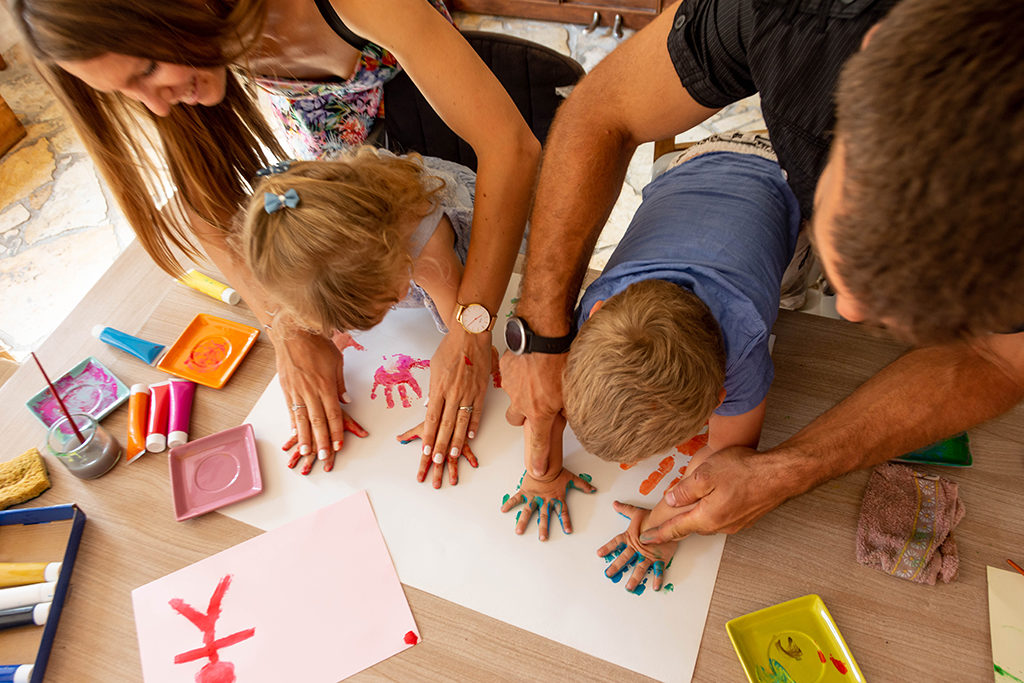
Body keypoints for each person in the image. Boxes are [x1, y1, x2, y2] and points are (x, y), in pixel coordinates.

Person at [499, 0, 1024, 547]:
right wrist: (540, 326)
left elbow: (1001, 360)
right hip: (736, 166)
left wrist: (767, 479)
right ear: (875, 66)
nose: (846, 311)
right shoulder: (793, 18)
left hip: (719, 177)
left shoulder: (739, 338)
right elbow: (602, 109)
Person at [11, 0, 540, 476]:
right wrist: (286, 328)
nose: (157, 108)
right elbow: (203, 204)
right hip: (352, 173)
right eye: (126, 90)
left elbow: (510, 150)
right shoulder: (193, 65)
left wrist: (471, 331)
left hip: (451, 148)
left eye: (148, 69)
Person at [502, 144, 799, 580]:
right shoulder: (599, 308)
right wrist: (540, 473)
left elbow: (726, 454)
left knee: (791, 287)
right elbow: (543, 395)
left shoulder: (745, 347)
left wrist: (664, 528)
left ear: (722, 395)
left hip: (782, 175)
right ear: (596, 315)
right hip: (684, 165)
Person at [237, 148, 492, 485]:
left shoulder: (428, 249)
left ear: (398, 256)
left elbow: (469, 334)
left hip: (475, 221)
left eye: (387, 300)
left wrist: (442, 411)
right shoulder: (308, 255)